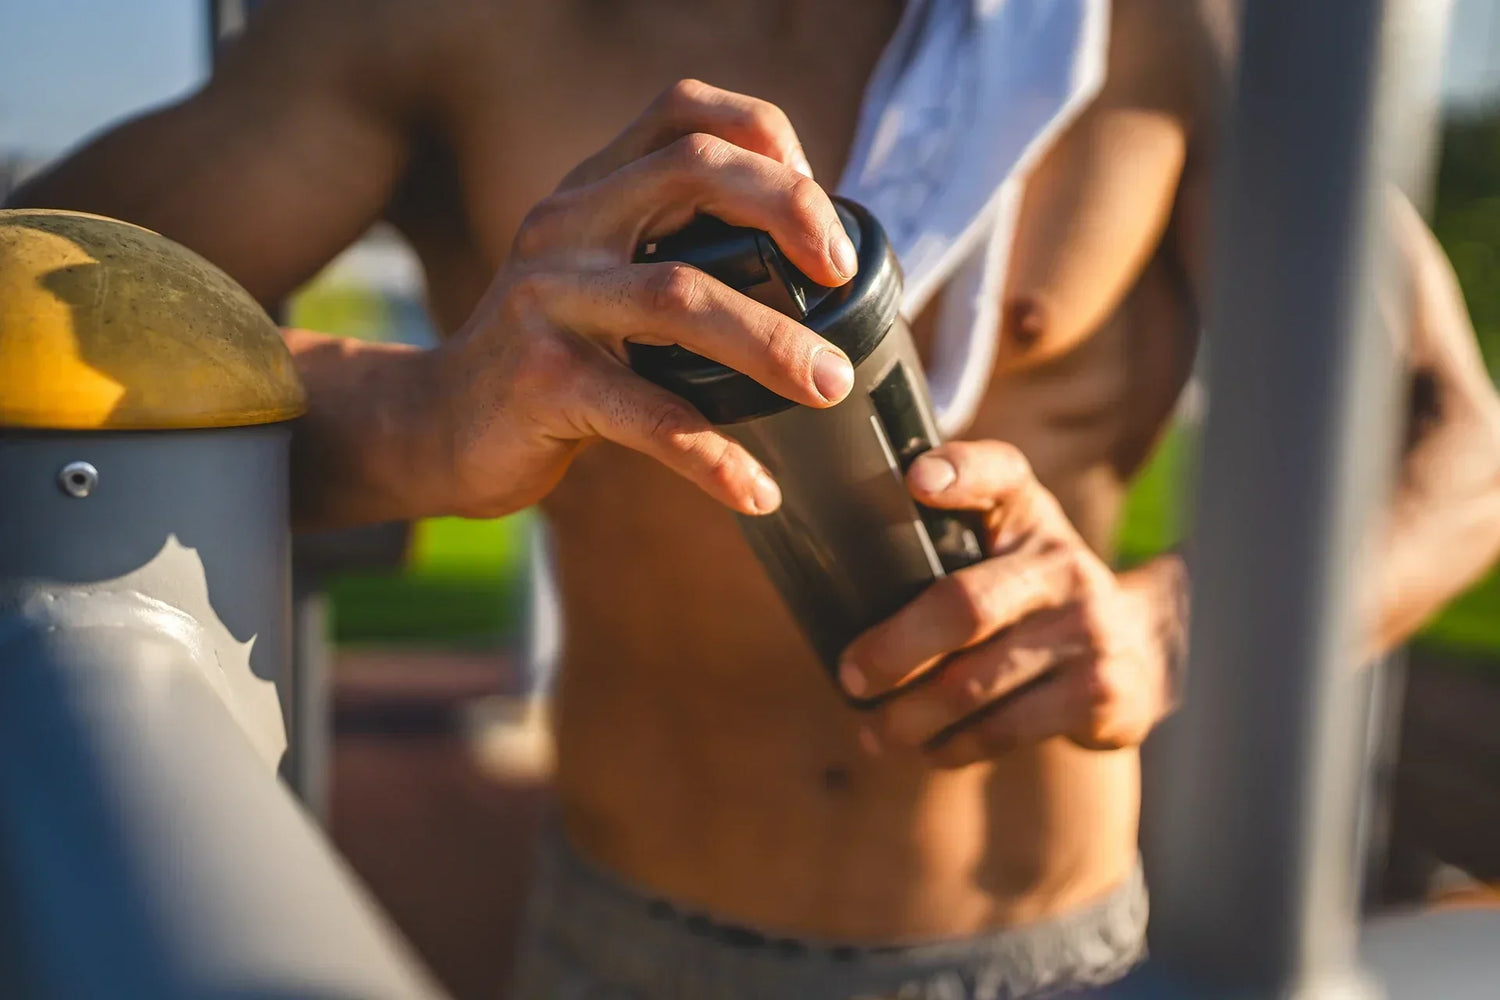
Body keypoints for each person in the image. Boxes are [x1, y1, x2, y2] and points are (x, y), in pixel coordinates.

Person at [13, 1, 1500, 996]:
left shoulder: (1179, 25)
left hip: (1065, 949)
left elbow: (1462, 447)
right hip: (633, 947)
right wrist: (419, 405)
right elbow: (34, 292)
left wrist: (1168, 629)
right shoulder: (448, 16)